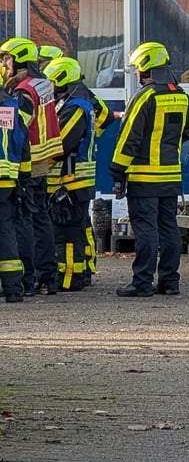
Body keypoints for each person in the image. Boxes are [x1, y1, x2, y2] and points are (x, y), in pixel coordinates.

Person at [110, 42, 189, 297]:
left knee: (146, 228)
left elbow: (129, 137)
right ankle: (169, 281)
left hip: (144, 177)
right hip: (171, 176)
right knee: (168, 228)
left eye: (137, 67)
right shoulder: (181, 95)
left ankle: (142, 282)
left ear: (147, 66)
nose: (136, 72)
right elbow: (187, 132)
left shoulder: (144, 96)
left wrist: (117, 168)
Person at [1, 37, 63, 296]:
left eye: (7, 58)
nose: (4, 64)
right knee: (40, 219)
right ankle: (47, 275)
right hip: (42, 158)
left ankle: (30, 276)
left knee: (26, 221)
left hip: (28, 161)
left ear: (19, 60)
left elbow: (18, 127)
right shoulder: (41, 83)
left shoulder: (23, 90)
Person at [43, 57, 95, 292]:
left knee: (68, 234)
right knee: (75, 231)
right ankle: (79, 274)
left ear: (61, 80)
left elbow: (61, 145)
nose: (49, 87)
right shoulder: (73, 103)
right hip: (73, 182)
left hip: (70, 182)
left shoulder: (75, 108)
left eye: (51, 82)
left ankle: (69, 279)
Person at [0, 82, 31, 302]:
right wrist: (24, 179)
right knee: (6, 232)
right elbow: (23, 145)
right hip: (8, 182)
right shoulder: (12, 107)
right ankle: (12, 288)